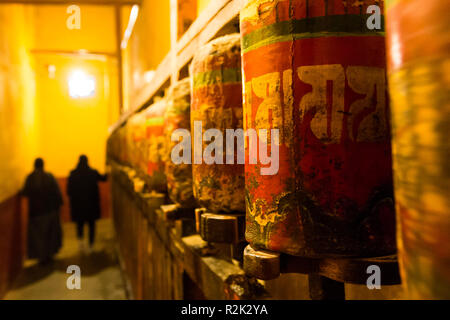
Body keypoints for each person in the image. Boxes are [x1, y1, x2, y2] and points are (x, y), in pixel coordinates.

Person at [21, 158, 63, 264]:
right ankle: (49, 255)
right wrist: (59, 205)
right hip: (50, 211)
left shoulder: (30, 178)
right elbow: (57, 192)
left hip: (35, 213)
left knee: (38, 237)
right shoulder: (49, 177)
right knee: (50, 234)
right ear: (43, 165)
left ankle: (41, 257)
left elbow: (25, 192)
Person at [67, 155, 107, 253]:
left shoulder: (73, 174)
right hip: (91, 205)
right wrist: (108, 168)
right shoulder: (92, 173)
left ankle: (81, 243)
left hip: (78, 206)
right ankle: (91, 245)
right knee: (91, 225)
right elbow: (104, 178)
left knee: (79, 224)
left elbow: (69, 191)